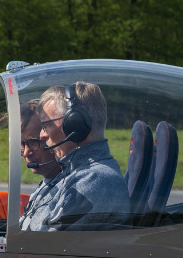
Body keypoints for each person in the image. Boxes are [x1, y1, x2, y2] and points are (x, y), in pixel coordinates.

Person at [19, 80, 129, 232]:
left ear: (75, 124)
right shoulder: (74, 174)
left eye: (46, 126)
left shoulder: (95, 181)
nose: (42, 135)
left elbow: (44, 246)